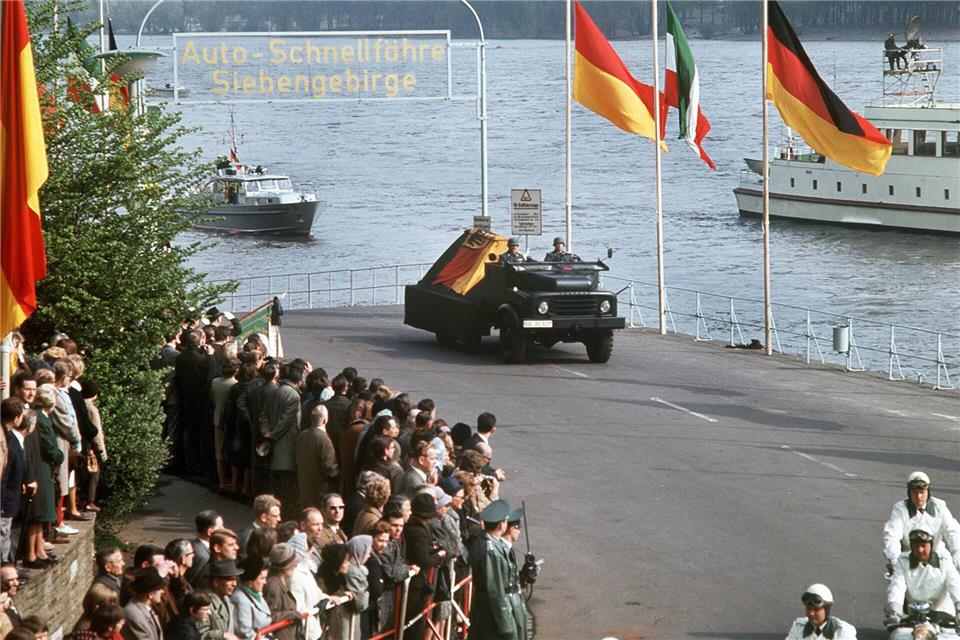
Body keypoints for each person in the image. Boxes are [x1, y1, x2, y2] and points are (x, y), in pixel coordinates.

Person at [885, 529, 960, 638]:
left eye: (924, 546)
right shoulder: (903, 561)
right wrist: (894, 610)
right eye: (916, 546)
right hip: (912, 615)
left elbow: (955, 584)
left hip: (942, 615)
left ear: (931, 546)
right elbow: (897, 585)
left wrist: (958, 606)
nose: (920, 550)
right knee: (897, 636)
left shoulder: (944, 561)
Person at [468, 499, 525, 640]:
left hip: (494, 610)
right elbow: (495, 591)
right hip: (492, 616)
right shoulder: (490, 550)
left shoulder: (492, 544)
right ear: (501, 524)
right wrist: (505, 626)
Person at [883, 471, 960, 574]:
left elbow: (953, 532)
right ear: (909, 493)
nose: (919, 497)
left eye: (922, 492)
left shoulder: (939, 507)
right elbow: (892, 536)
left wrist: (957, 555)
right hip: (910, 557)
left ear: (928, 492)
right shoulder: (900, 509)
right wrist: (895, 561)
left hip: (937, 555)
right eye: (915, 493)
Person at [294, 405, 338, 511]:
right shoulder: (324, 439)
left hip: (303, 486)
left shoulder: (302, 435)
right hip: (320, 488)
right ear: (325, 420)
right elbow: (330, 468)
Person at [784, 584, 857, 639]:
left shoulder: (843, 631)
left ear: (827, 609)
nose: (811, 613)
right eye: (808, 608)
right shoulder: (799, 627)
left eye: (816, 610)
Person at [197, 560, 242, 640]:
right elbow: (201, 635)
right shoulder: (204, 602)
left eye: (235, 579)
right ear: (216, 582)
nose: (234, 584)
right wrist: (222, 635)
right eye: (230, 580)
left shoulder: (227, 600)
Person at [230, 557, 270, 640]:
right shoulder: (240, 599)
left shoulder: (257, 593)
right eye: (262, 578)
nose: (265, 582)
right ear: (250, 580)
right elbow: (245, 633)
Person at [122, 568, 167, 640]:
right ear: (150, 594)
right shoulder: (134, 615)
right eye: (159, 589)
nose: (162, 592)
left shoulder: (149, 608)